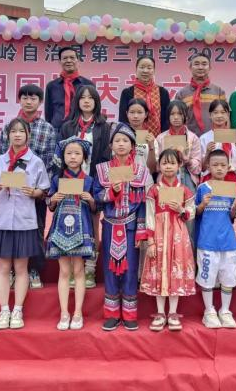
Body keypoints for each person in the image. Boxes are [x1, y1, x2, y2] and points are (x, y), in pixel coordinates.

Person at [0, 118, 50, 330]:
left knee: (21, 268)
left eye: (21, 131)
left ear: (28, 135)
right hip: (2, 220)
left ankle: (18, 310)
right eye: (13, 131)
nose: (17, 135)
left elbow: (43, 189)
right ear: (8, 135)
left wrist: (35, 192)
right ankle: (4, 309)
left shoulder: (36, 162)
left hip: (24, 221)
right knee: (3, 267)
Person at [54, 84, 113, 289]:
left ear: (96, 102)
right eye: (82, 97)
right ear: (77, 101)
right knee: (69, 221)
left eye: (91, 98)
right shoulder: (68, 126)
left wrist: (96, 184)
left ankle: (89, 269)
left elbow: (106, 157)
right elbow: (60, 156)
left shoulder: (104, 127)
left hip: (92, 181)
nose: (86, 101)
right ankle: (71, 269)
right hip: (69, 181)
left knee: (93, 225)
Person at [0, 84, 56, 290]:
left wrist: (41, 191)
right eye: (24, 98)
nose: (28, 101)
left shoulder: (47, 128)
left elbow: (50, 162)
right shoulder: (8, 126)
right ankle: (12, 271)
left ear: (40, 102)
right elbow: (2, 158)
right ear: (19, 100)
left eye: (33, 98)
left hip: (35, 193)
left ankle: (33, 269)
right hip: (11, 192)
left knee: (36, 230)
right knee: (11, 231)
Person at [95, 123, 150, 331]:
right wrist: (112, 192)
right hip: (110, 226)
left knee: (130, 270)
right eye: (117, 140)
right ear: (111, 145)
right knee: (110, 270)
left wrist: (142, 231)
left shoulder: (140, 171)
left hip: (131, 226)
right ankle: (111, 314)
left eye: (125, 141)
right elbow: (96, 195)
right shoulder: (103, 170)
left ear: (133, 146)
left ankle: (129, 314)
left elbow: (143, 203)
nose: (121, 144)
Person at [46, 137, 100, 331]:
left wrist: (91, 199)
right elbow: (50, 206)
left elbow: (95, 208)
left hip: (81, 230)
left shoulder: (89, 180)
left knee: (78, 271)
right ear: (63, 157)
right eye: (69, 153)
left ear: (84, 157)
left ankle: (77, 312)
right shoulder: (57, 180)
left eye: (77, 153)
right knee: (64, 271)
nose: (73, 157)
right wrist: (53, 198)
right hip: (61, 229)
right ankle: (64, 313)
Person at [140, 149, 196, 332]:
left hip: (178, 236)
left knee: (174, 270)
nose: (168, 167)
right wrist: (150, 241)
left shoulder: (185, 190)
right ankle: (160, 313)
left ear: (179, 165)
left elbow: (191, 213)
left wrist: (181, 210)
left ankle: (172, 313)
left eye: (172, 163)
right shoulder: (154, 190)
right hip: (158, 235)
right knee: (159, 270)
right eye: (164, 163)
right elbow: (149, 215)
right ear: (159, 166)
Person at [195, 149, 236, 330]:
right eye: (215, 165)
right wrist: (202, 204)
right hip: (207, 241)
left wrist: (235, 207)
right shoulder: (202, 188)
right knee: (207, 277)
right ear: (208, 166)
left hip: (228, 241)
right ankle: (209, 311)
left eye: (223, 165)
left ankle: (225, 311)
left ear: (229, 167)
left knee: (228, 277)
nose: (219, 168)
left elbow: (231, 217)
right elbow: (195, 213)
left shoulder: (231, 188)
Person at [156, 100, 202, 241]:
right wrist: (168, 160)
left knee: (188, 216)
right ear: (168, 116)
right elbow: (157, 165)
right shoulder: (161, 138)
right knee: (166, 213)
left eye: (179, 114)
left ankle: (188, 250)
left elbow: (198, 167)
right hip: (166, 180)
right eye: (172, 114)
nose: (176, 117)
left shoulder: (193, 138)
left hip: (187, 178)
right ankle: (166, 249)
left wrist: (186, 159)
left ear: (185, 116)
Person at [174, 53, 226, 136]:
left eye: (204, 64)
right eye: (196, 64)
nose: (200, 67)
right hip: (190, 140)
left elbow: (226, 118)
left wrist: (225, 139)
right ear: (190, 68)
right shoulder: (181, 94)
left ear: (210, 68)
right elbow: (177, 119)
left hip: (214, 139)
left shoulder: (219, 91)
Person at [45, 46, 94, 131]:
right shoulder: (51, 86)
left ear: (77, 60)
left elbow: (94, 109)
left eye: (72, 58)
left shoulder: (88, 84)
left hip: (82, 130)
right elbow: (48, 113)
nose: (68, 60)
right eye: (65, 58)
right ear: (59, 61)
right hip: (57, 130)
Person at [118, 56, 171, 137]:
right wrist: (128, 138)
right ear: (136, 69)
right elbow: (123, 119)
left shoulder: (163, 92)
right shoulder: (127, 92)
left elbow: (166, 119)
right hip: (133, 138)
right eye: (142, 67)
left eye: (149, 68)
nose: (145, 71)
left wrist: (161, 138)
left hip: (157, 138)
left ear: (154, 71)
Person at [199, 99, 236, 188]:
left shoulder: (235, 137)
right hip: (211, 178)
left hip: (231, 177)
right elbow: (202, 168)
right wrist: (208, 152)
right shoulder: (204, 138)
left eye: (223, 112)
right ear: (210, 115)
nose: (219, 116)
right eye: (215, 113)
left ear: (228, 115)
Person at [124, 97, 158, 176]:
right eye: (132, 112)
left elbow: (152, 170)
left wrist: (151, 147)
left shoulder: (150, 139)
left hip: (145, 180)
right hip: (123, 179)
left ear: (146, 114)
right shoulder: (120, 137)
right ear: (127, 113)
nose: (135, 116)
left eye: (139, 112)